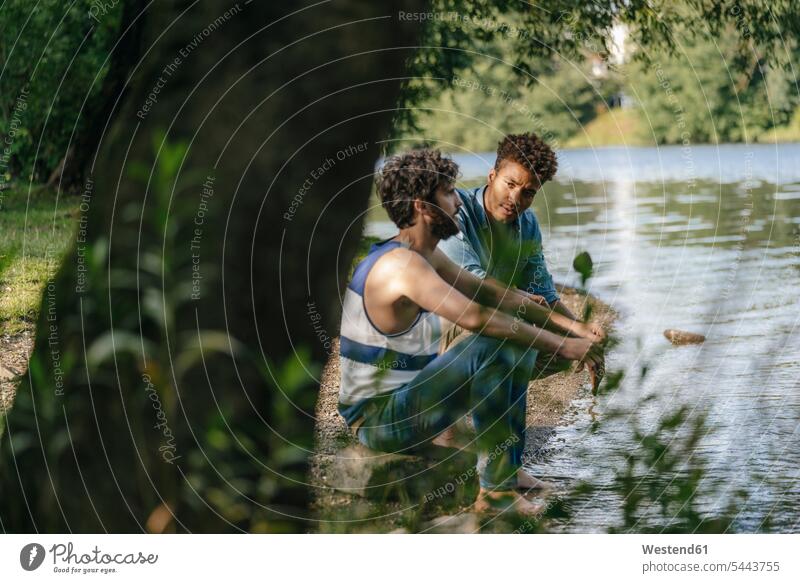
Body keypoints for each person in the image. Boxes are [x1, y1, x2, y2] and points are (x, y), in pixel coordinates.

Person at [337, 149, 603, 516]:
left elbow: (487, 291)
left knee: (517, 339)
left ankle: (506, 470)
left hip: (406, 401)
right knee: (499, 338)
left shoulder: (422, 254)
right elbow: (477, 316)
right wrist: (565, 346)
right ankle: (494, 493)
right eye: (448, 192)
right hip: (380, 420)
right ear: (422, 206)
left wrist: (562, 322)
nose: (458, 200)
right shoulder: (402, 266)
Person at [438, 132, 606, 358]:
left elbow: (543, 291)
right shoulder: (455, 208)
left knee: (559, 350)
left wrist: (580, 330)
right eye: (510, 184)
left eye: (528, 193)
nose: (515, 199)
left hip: (496, 322)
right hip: (451, 325)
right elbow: (473, 283)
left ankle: (497, 387)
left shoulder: (528, 225)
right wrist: (523, 298)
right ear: (492, 176)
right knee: (509, 331)